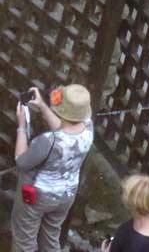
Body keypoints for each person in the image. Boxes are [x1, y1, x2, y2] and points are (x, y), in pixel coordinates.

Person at [11, 84, 94, 252]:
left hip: (37, 197)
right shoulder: (88, 128)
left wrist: (21, 126)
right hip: (66, 195)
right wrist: (42, 107)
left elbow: (21, 161)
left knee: (25, 240)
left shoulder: (49, 141)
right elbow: (64, 129)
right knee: (50, 238)